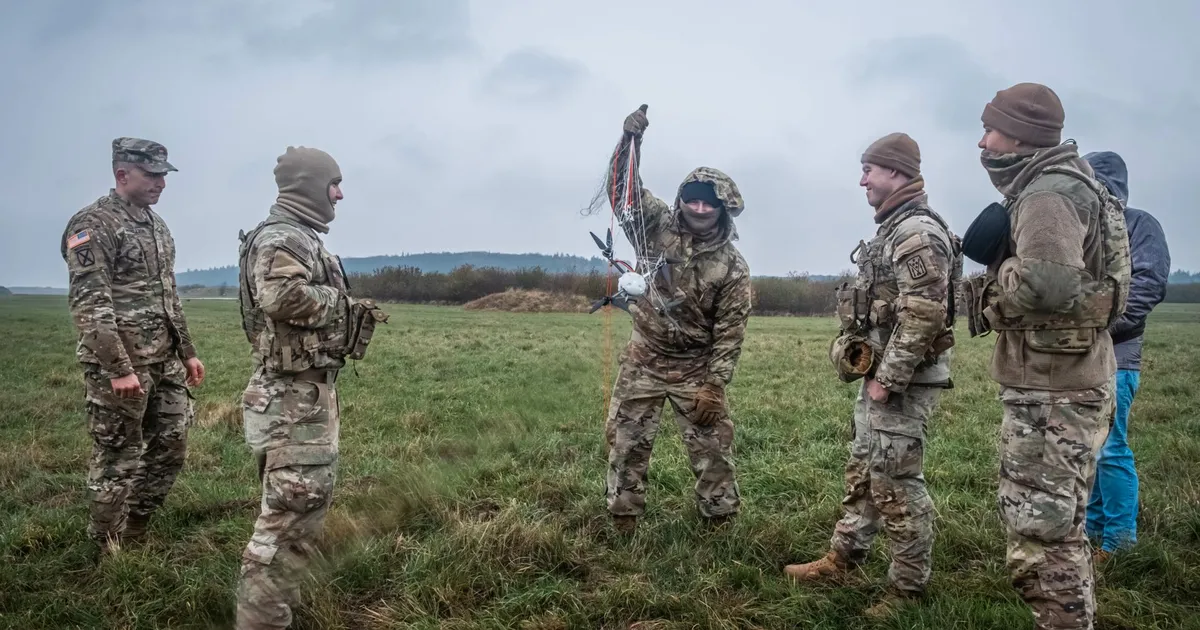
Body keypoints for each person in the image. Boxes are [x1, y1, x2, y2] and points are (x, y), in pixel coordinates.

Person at [963, 82, 1131, 630]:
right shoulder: (1070, 182)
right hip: (1066, 379)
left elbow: (1046, 286)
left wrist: (998, 273)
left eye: (990, 129)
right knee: (1060, 524)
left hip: (1053, 391)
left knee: (1040, 537)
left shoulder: (1047, 194)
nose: (982, 141)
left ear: (1019, 136)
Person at [783, 133, 962, 618]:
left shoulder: (916, 232)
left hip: (901, 383)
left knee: (897, 483)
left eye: (869, 170)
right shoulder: (894, 227)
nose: (862, 180)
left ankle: (907, 589)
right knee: (864, 469)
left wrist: (890, 378)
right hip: (880, 376)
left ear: (896, 172)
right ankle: (844, 558)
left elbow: (924, 314)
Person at [234, 146, 387, 629]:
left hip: (299, 396)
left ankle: (276, 611)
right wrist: (343, 303)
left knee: (295, 519)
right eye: (333, 184)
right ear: (308, 186)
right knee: (285, 529)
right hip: (292, 401)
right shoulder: (284, 236)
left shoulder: (298, 236)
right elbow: (281, 296)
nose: (339, 194)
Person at [601, 105, 752, 534]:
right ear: (682, 200)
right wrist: (629, 142)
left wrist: (714, 386)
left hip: (696, 369)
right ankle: (624, 521)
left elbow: (730, 332)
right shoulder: (655, 225)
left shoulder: (733, 266)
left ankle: (720, 524)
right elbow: (623, 192)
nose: (698, 208)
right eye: (692, 200)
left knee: (713, 449)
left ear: (723, 208)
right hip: (644, 360)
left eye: (708, 203)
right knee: (626, 444)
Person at [60, 137, 205, 554]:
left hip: (164, 360)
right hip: (121, 366)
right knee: (117, 457)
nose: (161, 183)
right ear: (122, 174)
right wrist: (119, 368)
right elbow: (90, 304)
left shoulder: (157, 226)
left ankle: (135, 530)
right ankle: (103, 548)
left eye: (164, 175)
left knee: (171, 446)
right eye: (152, 174)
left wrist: (187, 351)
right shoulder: (93, 225)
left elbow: (168, 295)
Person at [1082, 150, 1170, 561]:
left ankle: (1119, 542)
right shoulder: (1083, 229)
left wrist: (1098, 328)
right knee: (1090, 448)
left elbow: (1148, 285)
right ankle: (1093, 530)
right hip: (1083, 359)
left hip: (1118, 357)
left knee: (1111, 447)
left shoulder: (1139, 225)